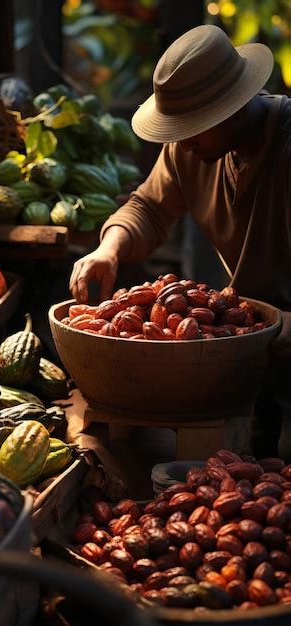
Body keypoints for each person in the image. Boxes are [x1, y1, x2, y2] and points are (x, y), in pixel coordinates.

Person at [69, 24, 291, 458]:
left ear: (232, 109)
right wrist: (109, 247)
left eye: (194, 127)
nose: (183, 142)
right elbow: (148, 208)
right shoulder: (190, 149)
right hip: (248, 349)